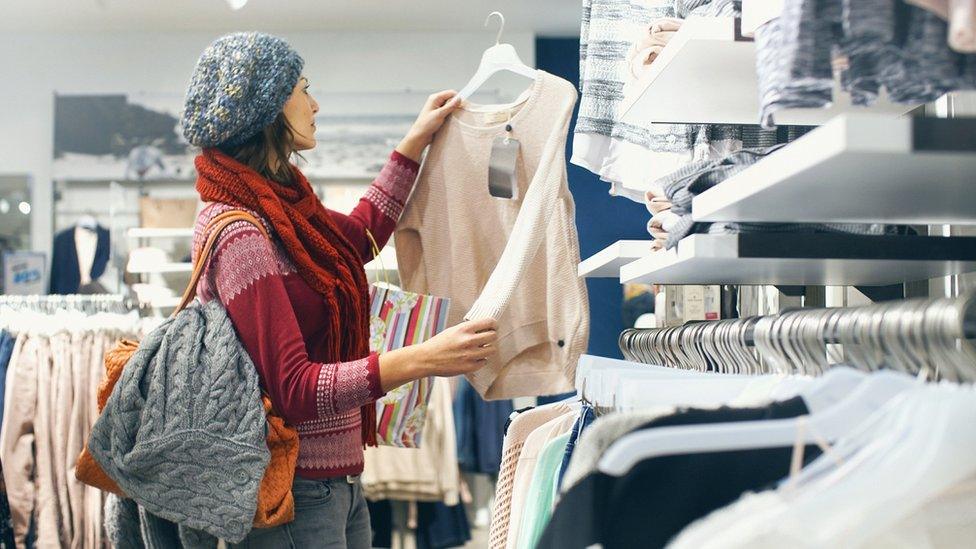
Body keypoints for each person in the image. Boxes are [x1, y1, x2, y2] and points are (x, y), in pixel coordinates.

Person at [180, 32, 499, 548]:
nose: (315, 103)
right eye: (303, 89)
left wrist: (413, 142)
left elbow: (358, 238)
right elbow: (295, 389)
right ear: (265, 108)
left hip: (336, 484)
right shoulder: (241, 233)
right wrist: (420, 360)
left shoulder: (281, 209)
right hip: (293, 494)